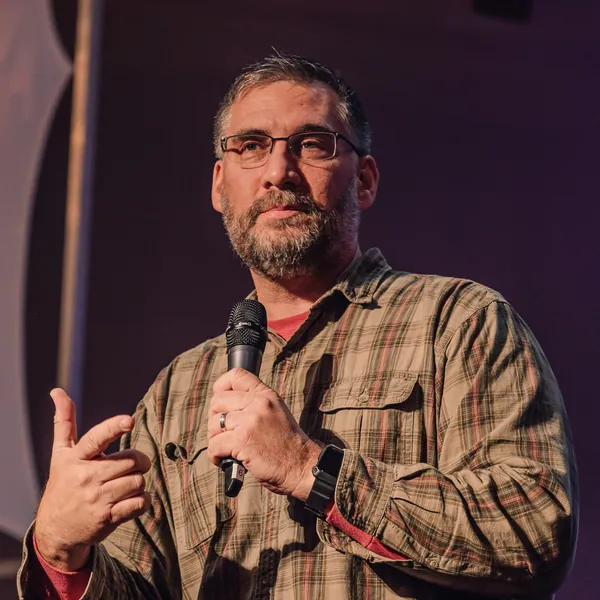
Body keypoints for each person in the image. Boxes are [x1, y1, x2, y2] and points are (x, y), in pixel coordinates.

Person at [18, 54, 578, 600]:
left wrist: (309, 468)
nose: (277, 172)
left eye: (312, 144)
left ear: (364, 180)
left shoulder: (458, 323)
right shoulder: (176, 390)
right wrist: (63, 555)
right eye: (250, 146)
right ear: (219, 186)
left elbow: (535, 528)